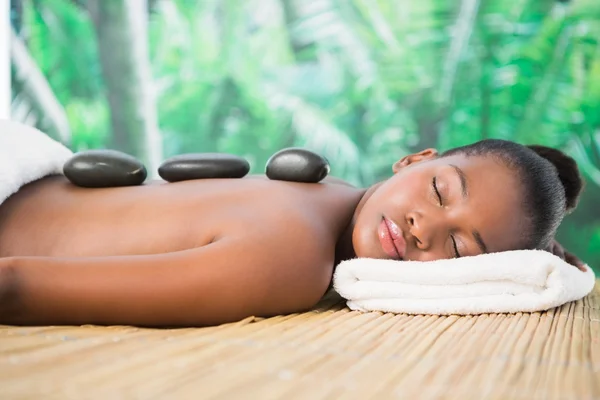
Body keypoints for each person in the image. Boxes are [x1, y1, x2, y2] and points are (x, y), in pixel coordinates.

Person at [0, 139, 586, 327]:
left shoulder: (325, 209)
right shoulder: (288, 260)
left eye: (459, 248)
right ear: (412, 160)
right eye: (439, 192)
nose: (423, 228)